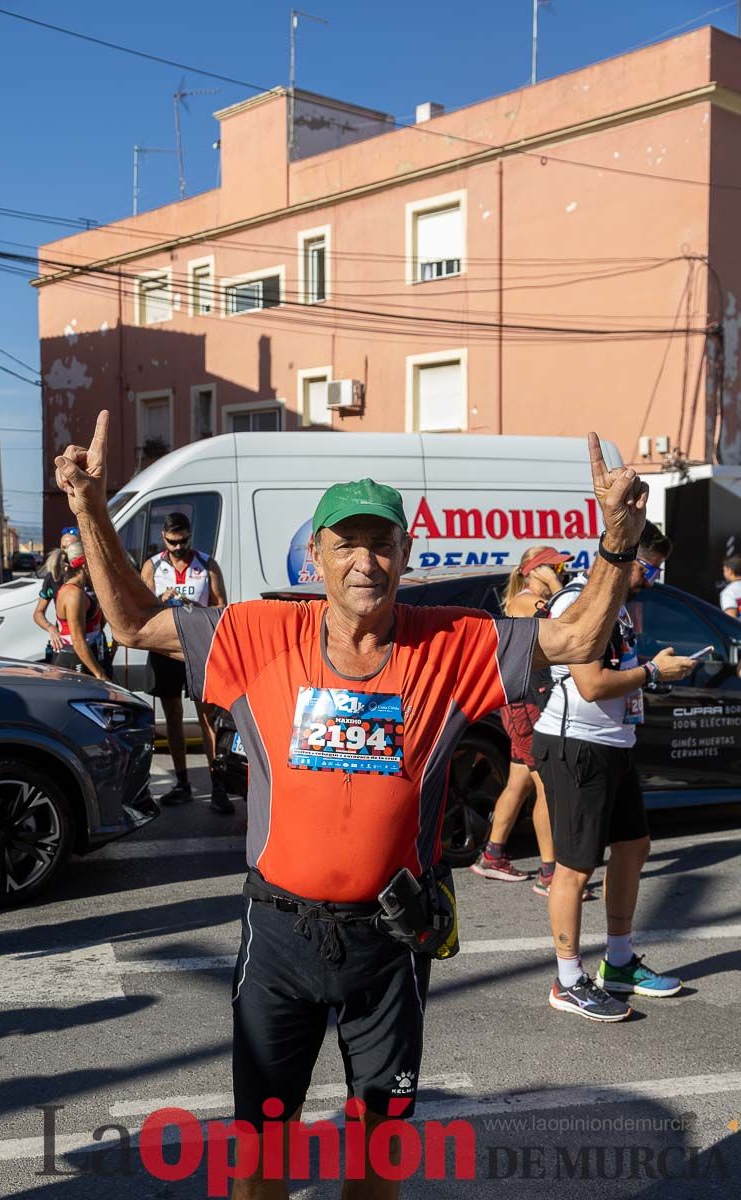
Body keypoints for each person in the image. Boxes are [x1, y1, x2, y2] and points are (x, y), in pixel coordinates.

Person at [55, 411, 649, 1199]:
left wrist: (616, 541)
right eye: (346, 544)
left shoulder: (455, 640)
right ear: (317, 555)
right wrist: (92, 510)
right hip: (279, 941)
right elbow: (130, 621)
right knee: (263, 1152)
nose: (365, 561)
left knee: (378, 1154)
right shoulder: (258, 631)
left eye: (382, 543)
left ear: (405, 553)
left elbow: (575, 640)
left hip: (390, 942)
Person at [532, 522, 696, 1023]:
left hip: (613, 743)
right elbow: (589, 683)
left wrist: (650, 672)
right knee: (576, 866)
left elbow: (616, 671)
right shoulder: (578, 602)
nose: (651, 579)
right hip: (575, 745)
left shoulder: (619, 607)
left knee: (634, 845)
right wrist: (651, 673)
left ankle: (620, 963)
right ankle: (567, 979)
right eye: (649, 568)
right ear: (625, 559)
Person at [473, 545, 571, 895]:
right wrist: (556, 590)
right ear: (534, 571)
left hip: (526, 703)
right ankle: (550, 873)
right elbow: (564, 627)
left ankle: (492, 854)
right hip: (526, 706)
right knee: (546, 785)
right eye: (554, 567)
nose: (561, 573)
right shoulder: (527, 602)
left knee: (519, 783)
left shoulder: (529, 601)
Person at [140, 512, 232, 814]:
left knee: (208, 719)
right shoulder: (153, 566)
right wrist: (159, 602)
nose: (179, 548)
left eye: (184, 542)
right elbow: (141, 610)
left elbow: (222, 607)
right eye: (172, 542)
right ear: (164, 538)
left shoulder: (206, 564)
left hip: (199, 650)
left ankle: (218, 785)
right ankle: (182, 783)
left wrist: (195, 607)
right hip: (165, 652)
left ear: (190, 536)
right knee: (174, 719)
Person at [51, 541, 111, 681]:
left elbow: (96, 625)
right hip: (75, 660)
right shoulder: (73, 594)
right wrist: (100, 674)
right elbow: (78, 640)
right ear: (85, 566)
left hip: (88, 656)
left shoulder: (79, 591)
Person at [33, 526, 80, 656]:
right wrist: (51, 629)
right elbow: (38, 613)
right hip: (65, 644)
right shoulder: (53, 577)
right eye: (62, 547)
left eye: (69, 548)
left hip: (91, 642)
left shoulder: (89, 576)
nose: (65, 553)